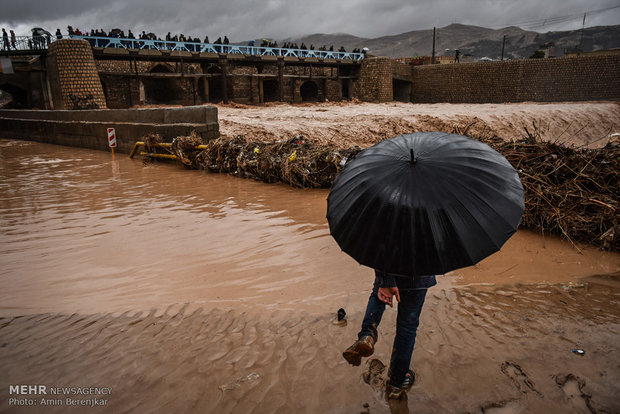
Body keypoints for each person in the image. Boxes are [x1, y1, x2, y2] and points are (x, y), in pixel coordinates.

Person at [343, 269, 436, 400]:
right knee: (408, 327)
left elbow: (381, 248)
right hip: (419, 276)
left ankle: (367, 335)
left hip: (390, 267)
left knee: (378, 295)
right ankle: (397, 383)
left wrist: (386, 279)